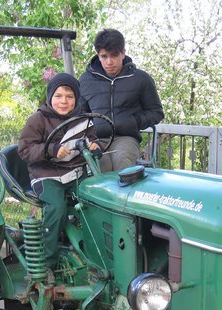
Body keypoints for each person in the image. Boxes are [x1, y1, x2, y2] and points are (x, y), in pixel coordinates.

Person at [18, 72, 101, 270]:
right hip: (46, 175)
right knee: (56, 207)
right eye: (58, 96)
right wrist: (52, 150)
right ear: (50, 97)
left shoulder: (83, 119)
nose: (64, 101)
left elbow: (93, 139)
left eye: (69, 96)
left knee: (97, 202)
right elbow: (25, 149)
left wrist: (96, 147)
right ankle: (48, 263)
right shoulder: (38, 119)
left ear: (76, 99)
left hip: (76, 172)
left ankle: (95, 255)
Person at [79, 28, 164, 172]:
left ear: (123, 53)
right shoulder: (86, 80)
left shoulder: (141, 79)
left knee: (124, 166)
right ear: (98, 55)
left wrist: (134, 121)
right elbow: (79, 114)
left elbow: (156, 112)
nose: (109, 62)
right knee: (99, 166)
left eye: (114, 55)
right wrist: (89, 135)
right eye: (104, 56)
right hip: (97, 139)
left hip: (126, 137)